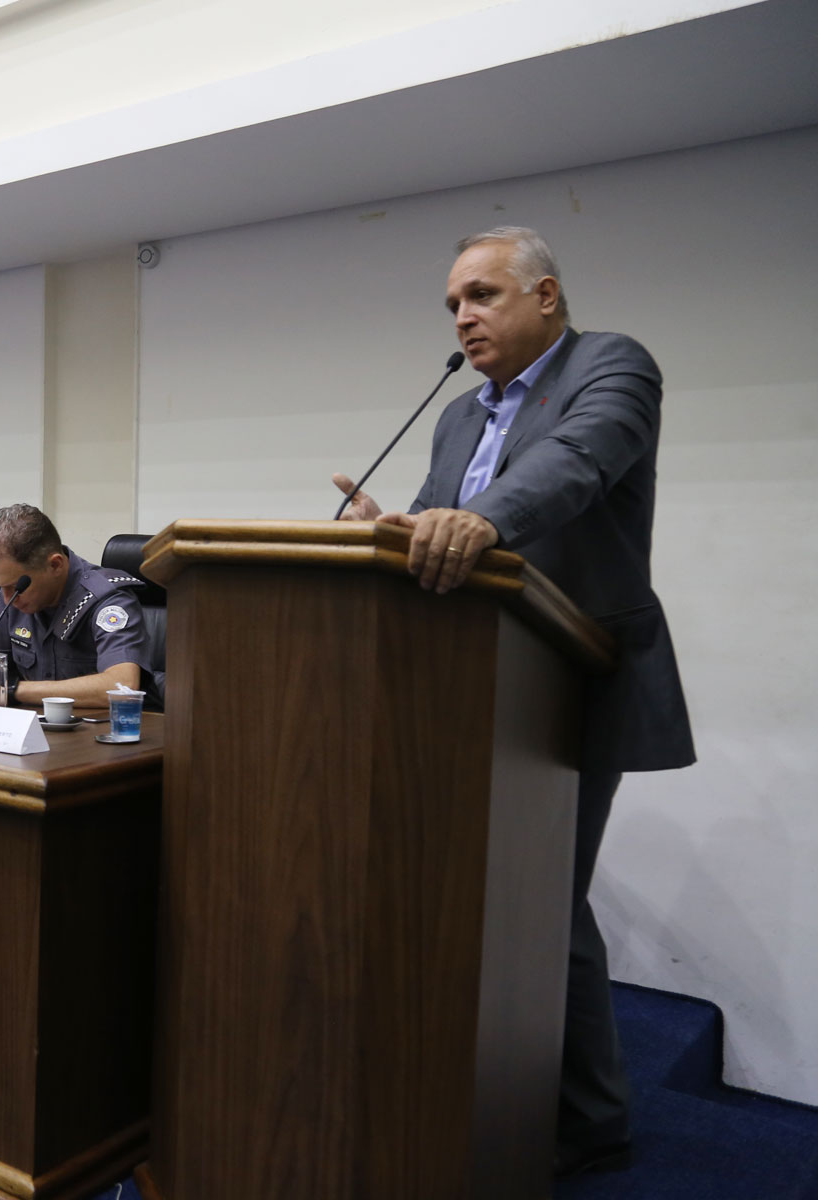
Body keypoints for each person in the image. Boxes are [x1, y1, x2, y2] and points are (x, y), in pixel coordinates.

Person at [332, 226, 695, 1179]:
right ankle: (490, 1077)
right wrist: (390, 533)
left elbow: (575, 465)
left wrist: (478, 521)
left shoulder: (613, 367)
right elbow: (431, 517)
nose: (464, 316)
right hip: (462, 683)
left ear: (547, 297)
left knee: (542, 897)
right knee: (483, 896)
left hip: (569, 678)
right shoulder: (457, 416)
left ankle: (589, 1118)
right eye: (454, 303)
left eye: (483, 295)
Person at [0, 503, 154, 708]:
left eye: (15, 587)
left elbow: (122, 686)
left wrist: (12, 691)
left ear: (55, 565)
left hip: (101, 734)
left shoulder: (108, 599)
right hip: (34, 732)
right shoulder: (10, 594)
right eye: (0, 587)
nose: (7, 599)